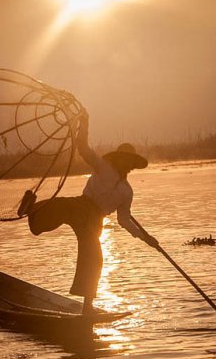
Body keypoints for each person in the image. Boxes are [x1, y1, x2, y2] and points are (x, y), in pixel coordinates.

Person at [17, 111, 153, 315]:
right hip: (82, 205)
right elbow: (83, 149)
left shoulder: (127, 191)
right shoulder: (103, 166)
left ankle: (87, 307)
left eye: (130, 162)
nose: (128, 164)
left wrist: (144, 237)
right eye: (125, 160)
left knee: (94, 258)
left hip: (95, 220)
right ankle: (31, 208)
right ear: (119, 159)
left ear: (133, 164)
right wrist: (85, 124)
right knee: (52, 213)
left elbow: (124, 220)